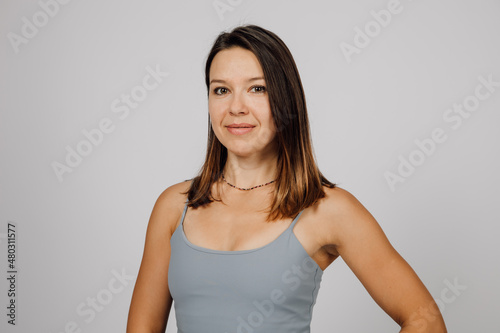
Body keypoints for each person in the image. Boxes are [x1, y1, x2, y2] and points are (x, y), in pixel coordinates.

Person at [126, 24, 447, 333]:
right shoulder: (173, 206)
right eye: (221, 90)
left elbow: (425, 321)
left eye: (257, 88)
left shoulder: (327, 209)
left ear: (285, 98)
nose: (236, 107)